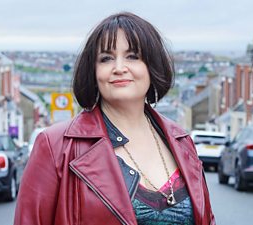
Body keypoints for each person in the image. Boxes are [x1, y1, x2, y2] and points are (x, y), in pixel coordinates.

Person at [14, 12, 215, 225]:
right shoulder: (55, 146)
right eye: (106, 58)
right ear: (94, 71)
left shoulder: (182, 141)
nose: (119, 68)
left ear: (152, 66)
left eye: (132, 56)